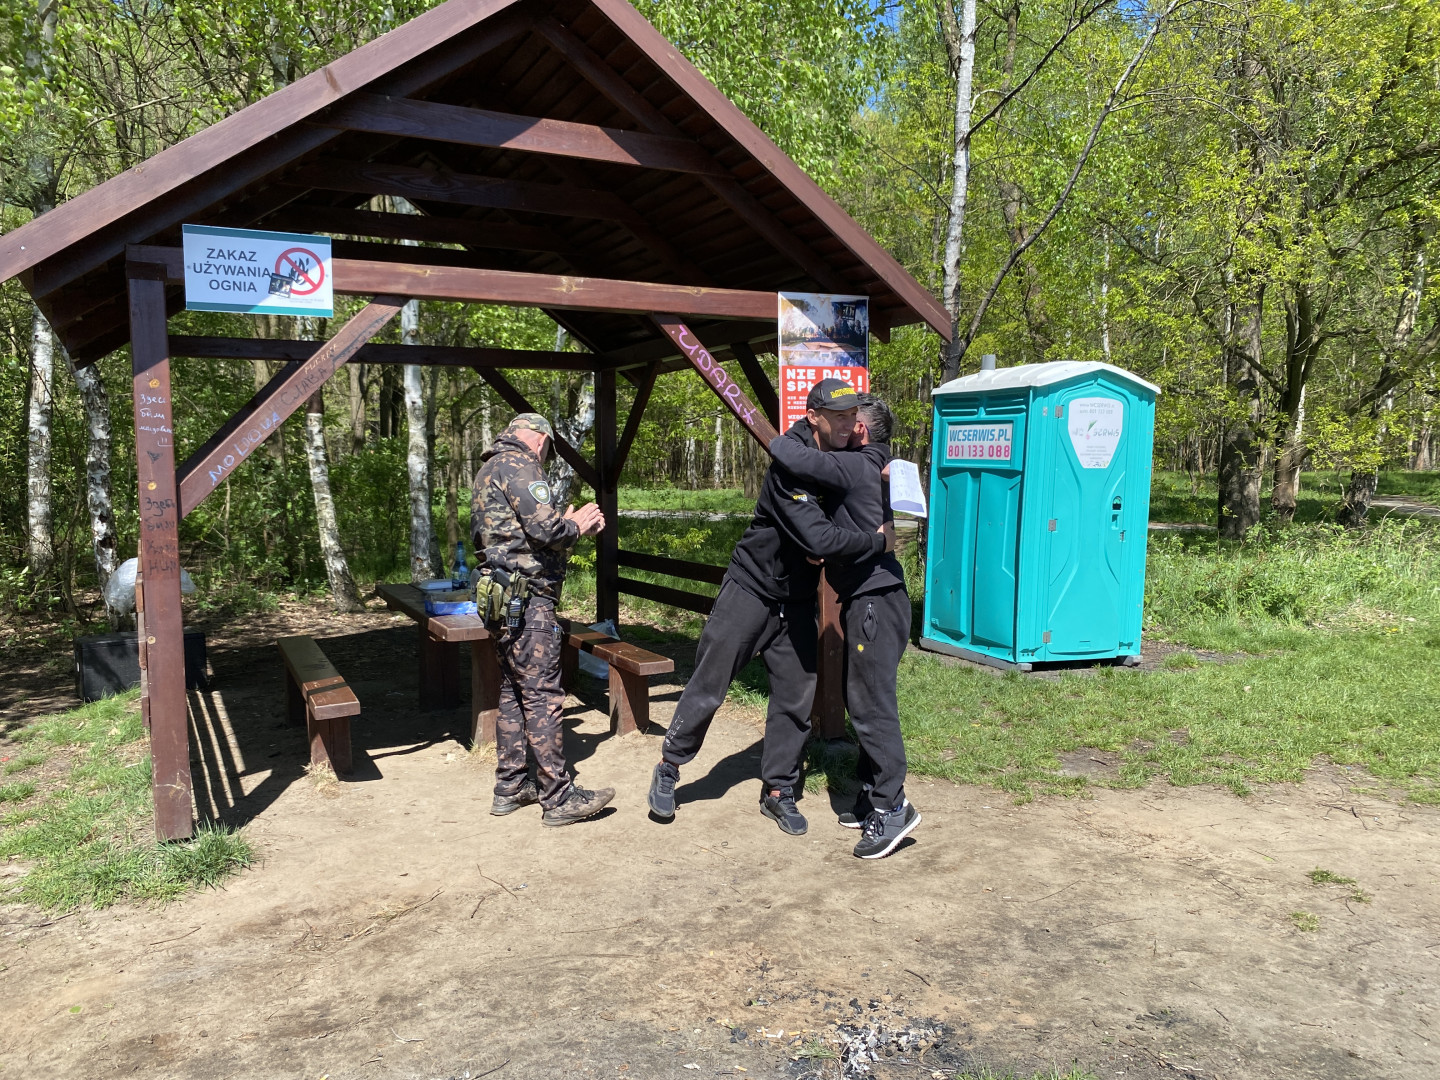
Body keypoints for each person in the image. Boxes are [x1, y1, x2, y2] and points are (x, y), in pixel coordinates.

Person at [647, 378, 894, 835]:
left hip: (797, 600)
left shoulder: (841, 460)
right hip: (751, 588)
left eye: (851, 416)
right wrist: (876, 542)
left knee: (796, 697)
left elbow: (837, 523)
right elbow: (818, 538)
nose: (848, 424)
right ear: (813, 417)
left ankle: (779, 789)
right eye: (837, 416)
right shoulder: (789, 468)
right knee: (710, 683)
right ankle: (669, 765)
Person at [768, 394, 920, 858]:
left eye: (850, 418)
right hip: (878, 598)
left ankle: (893, 807)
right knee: (866, 698)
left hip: (874, 600)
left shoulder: (857, 465)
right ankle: (873, 794)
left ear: (861, 431)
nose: (843, 424)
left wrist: (789, 431)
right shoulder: (875, 466)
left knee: (871, 706)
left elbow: (789, 453)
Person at [472, 413, 613, 827]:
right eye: (547, 449)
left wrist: (565, 528)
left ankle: (511, 785)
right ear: (539, 439)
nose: (545, 456)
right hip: (528, 599)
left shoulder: (488, 468)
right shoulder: (521, 464)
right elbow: (546, 530)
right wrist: (576, 524)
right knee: (542, 695)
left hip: (500, 599)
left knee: (514, 692)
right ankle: (558, 796)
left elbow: (517, 537)